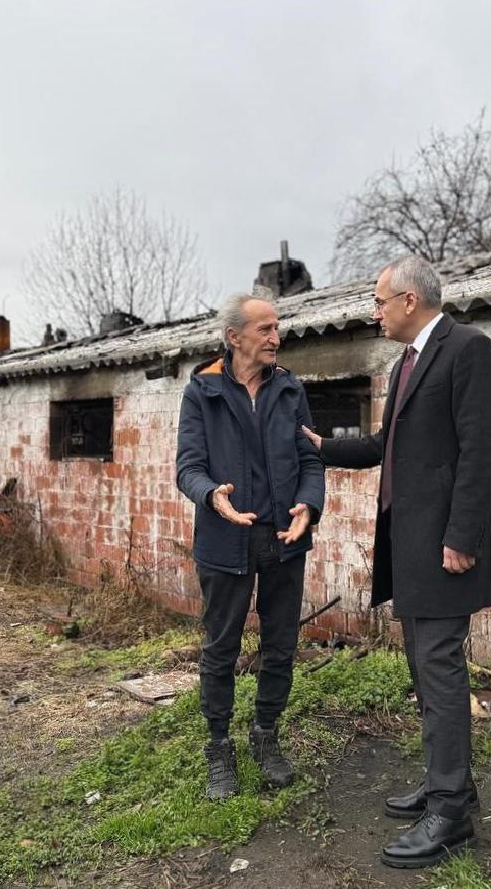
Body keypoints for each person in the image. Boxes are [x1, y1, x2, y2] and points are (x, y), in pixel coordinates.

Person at [302, 255, 491, 868]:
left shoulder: (469, 350)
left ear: (409, 301)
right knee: (425, 671)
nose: (372, 311)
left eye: (378, 300)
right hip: (414, 546)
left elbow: (482, 451)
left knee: (439, 668)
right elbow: (383, 446)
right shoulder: (406, 363)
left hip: (448, 547)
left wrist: (462, 538)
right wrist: (323, 447)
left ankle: (450, 813)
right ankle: (448, 781)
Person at [176, 292, 325, 801]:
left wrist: (309, 503)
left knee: (281, 645)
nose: (275, 337)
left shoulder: (289, 390)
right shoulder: (202, 392)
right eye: (264, 329)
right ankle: (219, 748)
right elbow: (187, 467)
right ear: (234, 337)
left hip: (283, 539)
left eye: (276, 328)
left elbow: (310, 459)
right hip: (225, 538)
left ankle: (266, 736)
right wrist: (211, 496)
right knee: (221, 648)